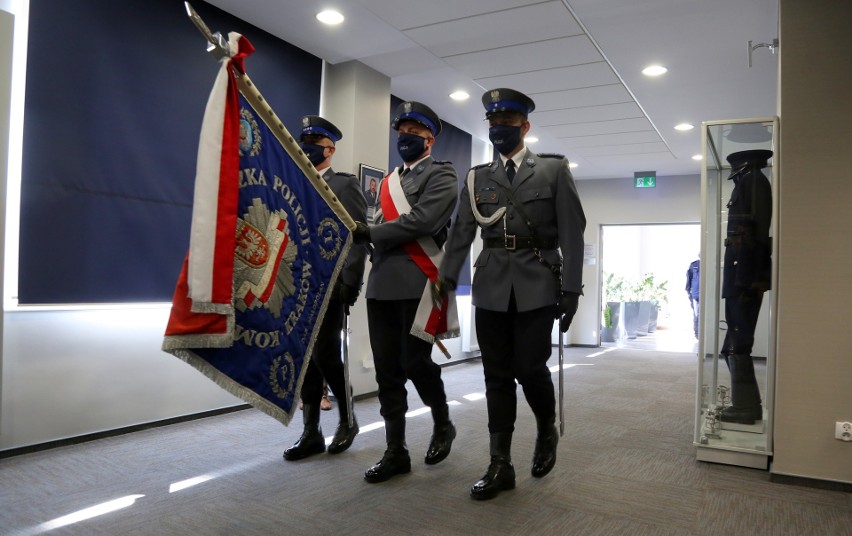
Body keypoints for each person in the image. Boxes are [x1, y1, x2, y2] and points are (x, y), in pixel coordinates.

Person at [435, 88, 586, 500]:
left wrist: (572, 289)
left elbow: (573, 232)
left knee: (529, 367)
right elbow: (462, 232)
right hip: (491, 285)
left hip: (537, 282)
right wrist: (446, 278)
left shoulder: (553, 170)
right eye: (493, 122)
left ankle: (545, 428)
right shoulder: (477, 176)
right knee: (495, 375)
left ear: (525, 125)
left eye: (507, 122)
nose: (499, 128)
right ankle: (500, 464)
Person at [351, 101, 459, 483]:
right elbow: (376, 223)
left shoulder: (442, 175)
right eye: (402, 132)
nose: (406, 138)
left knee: (415, 362)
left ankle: (442, 420)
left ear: (429, 138)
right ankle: (396, 450)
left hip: (419, 280)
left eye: (414, 132)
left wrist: (373, 234)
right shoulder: (385, 182)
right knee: (387, 370)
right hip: (382, 284)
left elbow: (424, 220)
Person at [283, 115, 368, 461]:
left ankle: (348, 419)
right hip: (299, 283)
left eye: (315, 143)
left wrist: (351, 280)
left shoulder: (345, 185)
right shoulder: (295, 180)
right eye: (304, 141)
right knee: (305, 359)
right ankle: (311, 432)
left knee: (326, 354)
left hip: (331, 284)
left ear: (330, 149)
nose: (307, 148)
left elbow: (358, 236)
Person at [719, 149, 772, 425]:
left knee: (737, 345)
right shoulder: (750, 181)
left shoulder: (752, 181)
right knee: (734, 344)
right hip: (742, 277)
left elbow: (754, 236)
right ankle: (747, 405)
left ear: (743, 165)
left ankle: (745, 408)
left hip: (744, 278)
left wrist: (745, 280)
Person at [686, 255, 700, 338]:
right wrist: (688, 291)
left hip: (707, 294)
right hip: (695, 294)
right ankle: (697, 334)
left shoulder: (710, 264)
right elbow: (689, 278)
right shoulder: (694, 265)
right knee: (696, 314)